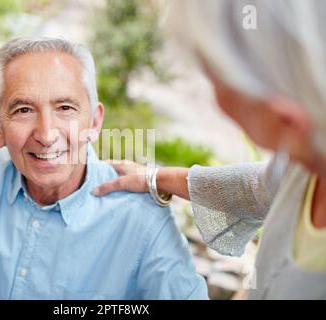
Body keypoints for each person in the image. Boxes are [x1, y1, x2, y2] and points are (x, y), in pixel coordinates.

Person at [0, 37, 207, 299]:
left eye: (65, 107)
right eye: (23, 110)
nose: (46, 135)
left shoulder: (142, 217)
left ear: (94, 121)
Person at [92, 0, 326, 299]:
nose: (217, 102)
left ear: (285, 116)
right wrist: (155, 178)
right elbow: (256, 186)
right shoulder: (302, 164)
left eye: (217, 82)